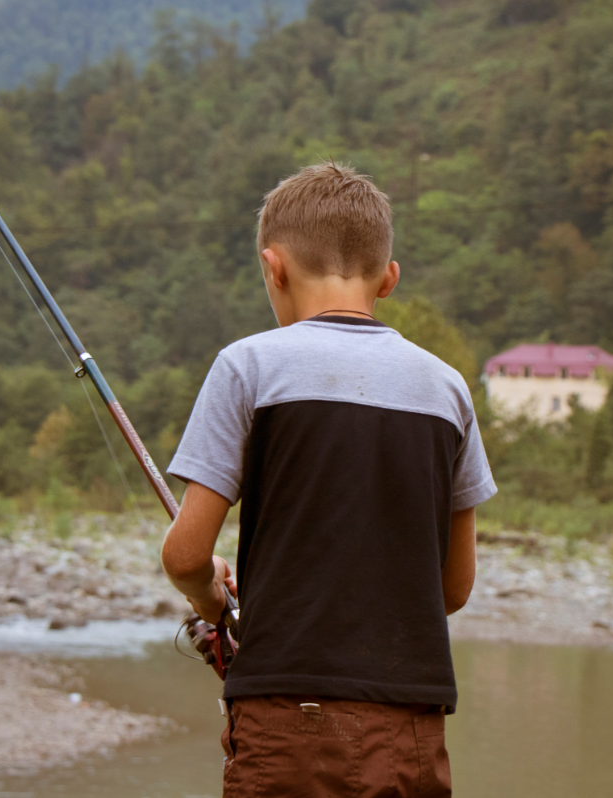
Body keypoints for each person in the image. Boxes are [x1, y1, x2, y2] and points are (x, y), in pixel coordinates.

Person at [160, 161, 496, 797]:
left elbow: (184, 555)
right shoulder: (448, 390)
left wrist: (213, 602)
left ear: (274, 267)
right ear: (389, 279)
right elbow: (451, 587)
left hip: (287, 724)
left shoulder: (248, 366)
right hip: (412, 728)